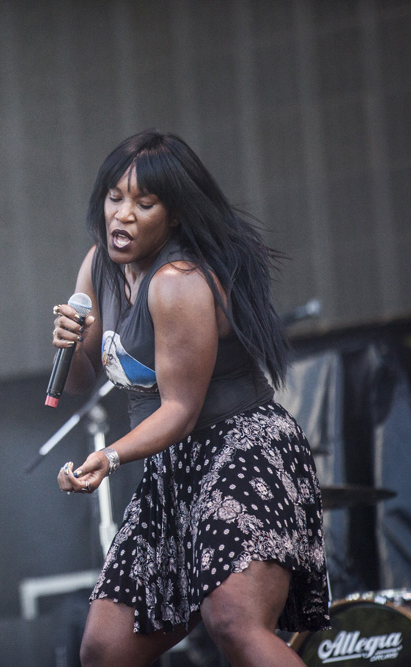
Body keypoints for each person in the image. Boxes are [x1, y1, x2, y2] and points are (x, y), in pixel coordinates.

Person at [51, 130, 329, 666]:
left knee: (236, 625)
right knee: (105, 649)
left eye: (144, 203)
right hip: (173, 469)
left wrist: (108, 457)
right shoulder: (98, 267)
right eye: (114, 197)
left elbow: (180, 410)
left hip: (241, 452)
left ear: (173, 216)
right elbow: (83, 381)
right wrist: (70, 343)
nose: (123, 215)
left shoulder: (178, 281)